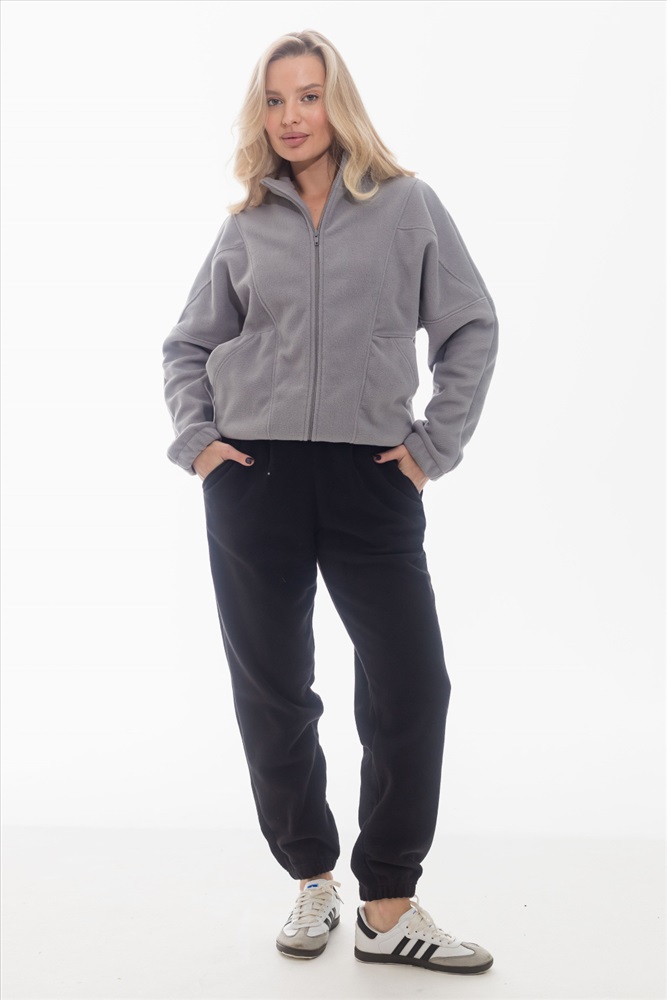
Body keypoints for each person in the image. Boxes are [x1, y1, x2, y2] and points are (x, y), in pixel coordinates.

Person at [162, 29, 498, 976]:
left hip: (370, 474)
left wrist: (431, 449)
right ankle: (312, 875)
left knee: (410, 683)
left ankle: (387, 903)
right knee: (274, 687)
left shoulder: (405, 206)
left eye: (307, 96)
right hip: (253, 474)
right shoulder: (246, 223)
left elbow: (470, 326)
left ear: (336, 101)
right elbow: (188, 344)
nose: (291, 116)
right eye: (275, 100)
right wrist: (200, 445)